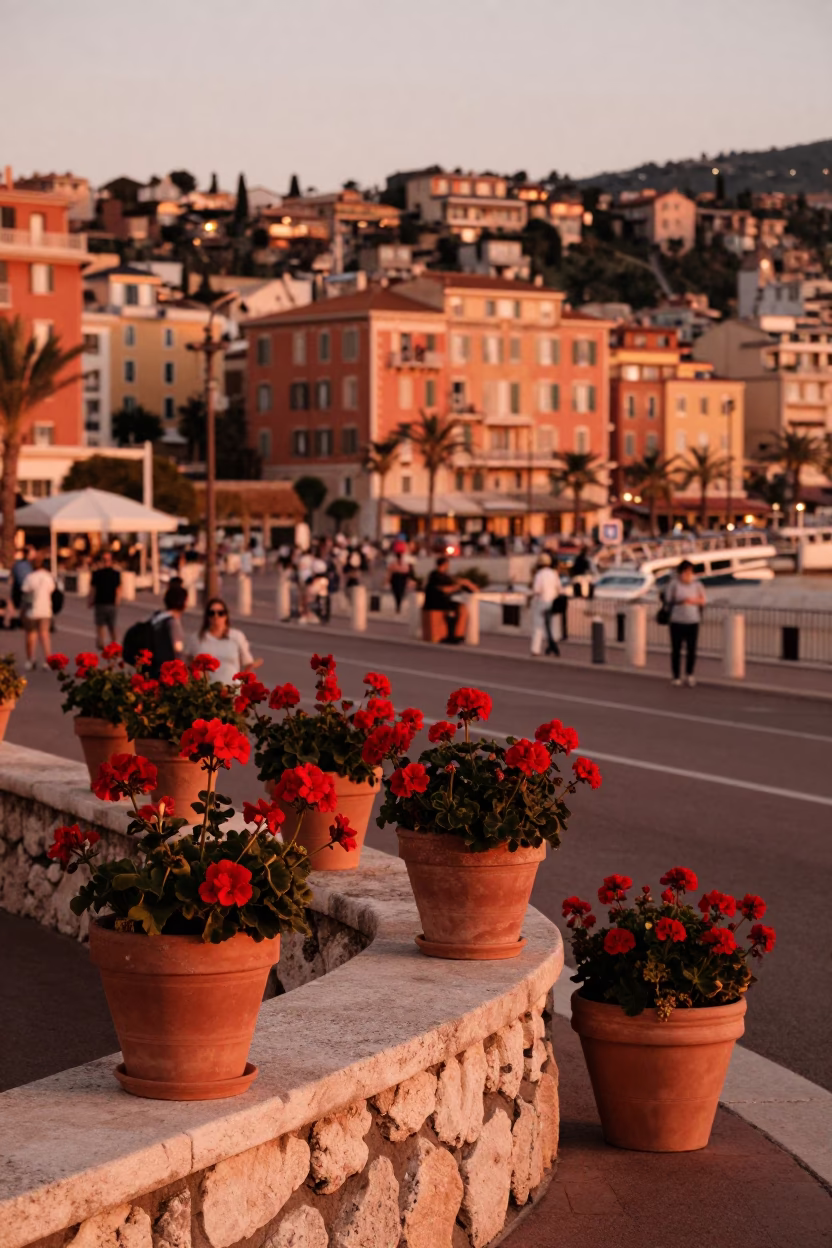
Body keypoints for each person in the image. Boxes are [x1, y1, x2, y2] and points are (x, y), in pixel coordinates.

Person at [188, 597, 260, 685]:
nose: (216, 616)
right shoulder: (197, 638)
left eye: (220, 613)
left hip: (232, 690)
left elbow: (248, 664)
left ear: (226, 616)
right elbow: (188, 663)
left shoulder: (237, 636)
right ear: (207, 616)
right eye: (212, 613)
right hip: (206, 692)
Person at [664, 560, 706, 687]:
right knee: (676, 649)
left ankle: (690, 674)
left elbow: (703, 600)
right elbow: (668, 599)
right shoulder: (674, 584)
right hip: (677, 620)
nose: (688, 574)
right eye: (685, 571)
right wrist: (681, 601)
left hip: (693, 620)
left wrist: (691, 600)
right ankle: (676, 676)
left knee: (691, 649)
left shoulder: (697, 585)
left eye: (690, 571)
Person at [423, 556, 478, 644]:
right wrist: (457, 587)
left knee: (461, 608)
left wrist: (467, 583)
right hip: (435, 603)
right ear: (444, 564)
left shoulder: (445, 575)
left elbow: (456, 581)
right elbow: (445, 589)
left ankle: (458, 634)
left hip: (443, 601)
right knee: (452, 611)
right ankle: (450, 635)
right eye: (447, 564)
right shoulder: (435, 575)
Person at [21, 552, 56, 670]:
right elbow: (53, 590)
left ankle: (31, 659)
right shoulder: (48, 576)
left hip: (32, 610)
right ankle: (48, 660)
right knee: (45, 635)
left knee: (31, 635)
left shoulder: (30, 577)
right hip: (45, 610)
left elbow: (25, 593)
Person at [529, 553, 562, 657]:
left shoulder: (539, 575)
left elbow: (536, 590)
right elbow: (560, 589)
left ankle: (536, 649)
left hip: (541, 602)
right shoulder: (554, 574)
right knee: (552, 625)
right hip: (552, 603)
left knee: (538, 626)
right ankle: (552, 644)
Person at [88, 549, 122, 647]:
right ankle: (102, 642)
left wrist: (117, 601)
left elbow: (118, 589)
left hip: (109, 603)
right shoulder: (98, 574)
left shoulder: (114, 574)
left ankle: (113, 643)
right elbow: (93, 589)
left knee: (110, 625)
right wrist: (91, 600)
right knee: (101, 625)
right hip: (101, 602)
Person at [387, 548, 414, 614]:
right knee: (396, 592)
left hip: (402, 578)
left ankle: (399, 604)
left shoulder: (404, 563)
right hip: (396, 578)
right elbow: (390, 572)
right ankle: (398, 604)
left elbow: (407, 572)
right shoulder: (393, 563)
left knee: (401, 591)